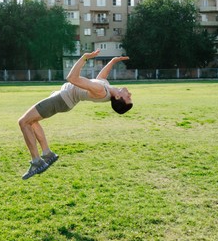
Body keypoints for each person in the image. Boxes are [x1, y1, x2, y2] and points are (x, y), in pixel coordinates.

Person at [18, 49, 133, 180]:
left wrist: (84, 57)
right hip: (63, 100)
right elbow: (101, 78)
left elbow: (72, 78)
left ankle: (36, 161)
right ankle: (47, 153)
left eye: (128, 97)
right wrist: (113, 61)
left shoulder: (101, 90)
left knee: (23, 122)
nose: (130, 94)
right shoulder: (107, 88)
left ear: (118, 97)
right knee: (31, 121)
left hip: (61, 100)